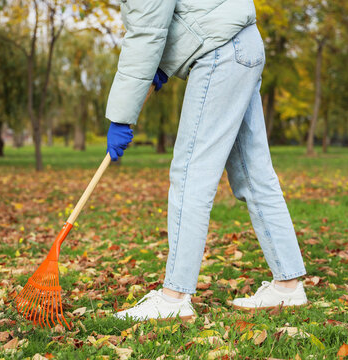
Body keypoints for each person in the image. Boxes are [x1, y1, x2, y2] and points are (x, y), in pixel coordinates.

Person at [105, 0, 308, 321]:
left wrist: (121, 116)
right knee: (253, 174)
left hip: (220, 53)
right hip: (243, 43)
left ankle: (174, 297)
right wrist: (162, 65)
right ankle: (288, 285)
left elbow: (146, 33)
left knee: (190, 174)